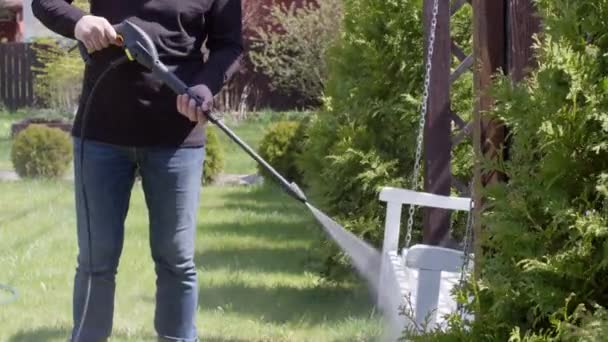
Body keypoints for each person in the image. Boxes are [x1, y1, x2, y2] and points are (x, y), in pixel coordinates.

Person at [31, 0, 243, 340]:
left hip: (177, 138)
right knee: (95, 262)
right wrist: (79, 23)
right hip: (100, 133)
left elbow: (229, 45)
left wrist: (205, 86)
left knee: (176, 260)